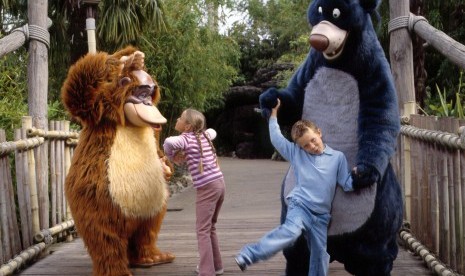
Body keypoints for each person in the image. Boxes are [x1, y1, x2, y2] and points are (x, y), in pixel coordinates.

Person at [235, 99, 354, 276]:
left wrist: (360, 175)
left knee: (320, 255)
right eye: (305, 145)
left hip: (321, 216)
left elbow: (347, 183)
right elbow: (276, 139)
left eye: (313, 141)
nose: (311, 147)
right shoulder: (297, 153)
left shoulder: (338, 158)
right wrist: (273, 115)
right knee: (290, 233)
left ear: (319, 133)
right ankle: (249, 254)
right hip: (301, 207)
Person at [163, 108, 225, 276]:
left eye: (180, 118)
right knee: (210, 227)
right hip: (220, 184)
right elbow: (213, 131)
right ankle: (217, 266)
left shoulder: (186, 139)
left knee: (202, 230)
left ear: (188, 126)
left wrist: (171, 157)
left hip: (207, 188)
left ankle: (206, 271)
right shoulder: (204, 135)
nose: (176, 118)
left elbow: (168, 142)